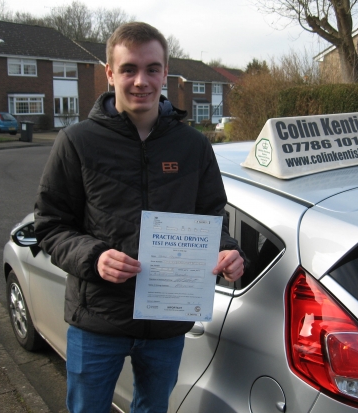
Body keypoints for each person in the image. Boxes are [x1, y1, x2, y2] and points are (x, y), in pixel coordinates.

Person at [34, 22, 245, 413]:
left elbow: (212, 215)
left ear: (166, 73)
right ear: (110, 73)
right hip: (98, 319)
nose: (141, 81)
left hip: (167, 322)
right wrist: (94, 257)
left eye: (152, 69)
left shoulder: (193, 145)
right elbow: (49, 224)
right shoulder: (77, 142)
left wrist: (229, 251)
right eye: (129, 69)